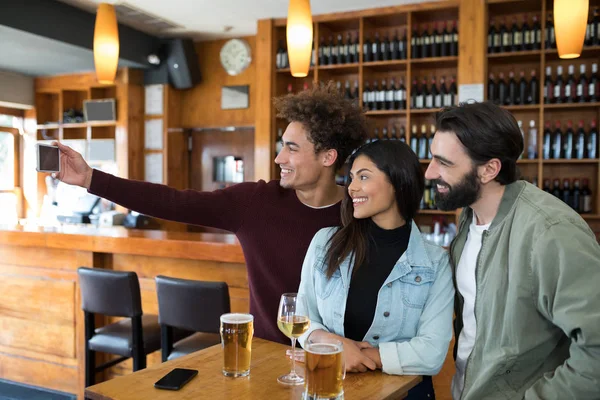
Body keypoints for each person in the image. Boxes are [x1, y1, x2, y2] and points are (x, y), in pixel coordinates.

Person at [52, 82, 367, 344]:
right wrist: (92, 179)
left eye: (292, 149)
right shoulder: (255, 202)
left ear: (328, 157)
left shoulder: (360, 212)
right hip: (267, 359)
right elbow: (172, 202)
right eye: (281, 145)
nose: (279, 157)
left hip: (335, 360)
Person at [424, 101, 600, 400]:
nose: (429, 173)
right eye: (432, 159)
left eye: (445, 163)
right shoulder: (470, 218)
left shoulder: (550, 232)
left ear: (489, 169)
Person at [297, 140, 454, 399]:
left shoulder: (435, 263)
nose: (351, 188)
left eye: (364, 176)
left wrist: (359, 355)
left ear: (398, 182)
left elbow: (432, 353)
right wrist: (334, 344)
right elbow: (302, 318)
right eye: (351, 178)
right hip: (328, 388)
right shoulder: (325, 243)